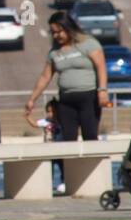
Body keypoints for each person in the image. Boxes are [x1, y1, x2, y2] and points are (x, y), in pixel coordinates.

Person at [25, 12, 110, 140]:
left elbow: (101, 67)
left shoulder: (88, 44)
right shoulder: (54, 52)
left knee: (90, 136)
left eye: (59, 31)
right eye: (53, 32)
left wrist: (102, 90)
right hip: (66, 101)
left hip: (88, 98)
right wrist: (32, 99)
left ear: (68, 27)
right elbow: (45, 77)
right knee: (68, 139)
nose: (56, 36)